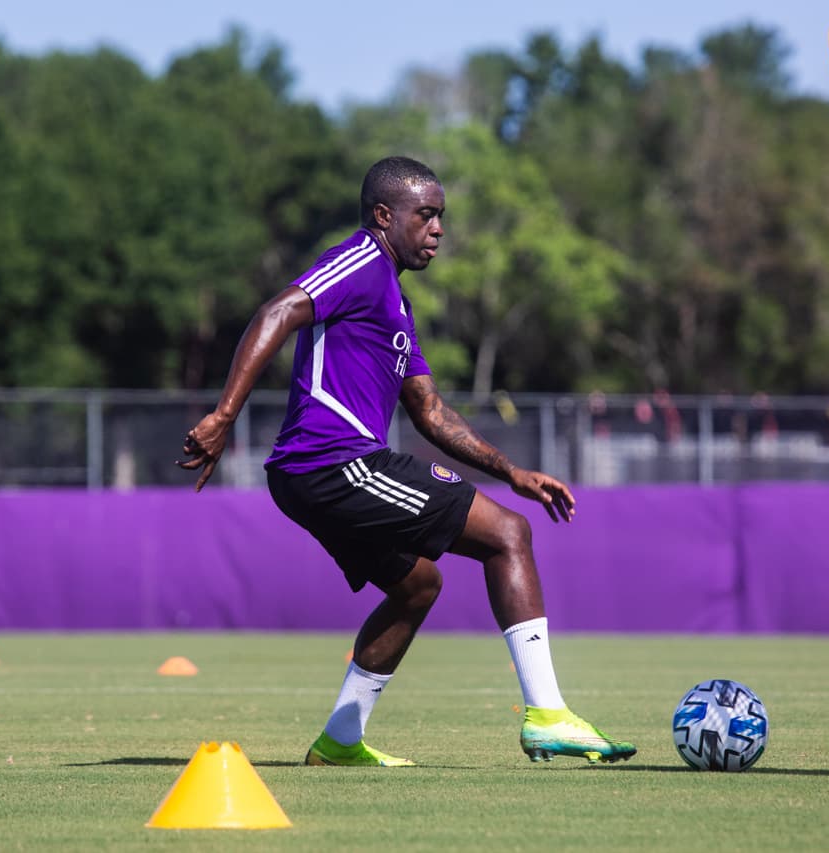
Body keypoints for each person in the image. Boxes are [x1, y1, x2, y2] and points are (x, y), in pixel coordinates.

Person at [177, 156, 635, 767]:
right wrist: (224, 415)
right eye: (426, 214)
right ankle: (548, 715)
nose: (438, 228)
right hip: (332, 462)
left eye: (441, 216)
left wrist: (512, 473)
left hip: (319, 473)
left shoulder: (396, 302)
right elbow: (277, 312)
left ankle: (340, 741)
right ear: (383, 215)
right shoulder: (360, 261)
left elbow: (431, 411)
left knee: (418, 585)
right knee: (508, 534)